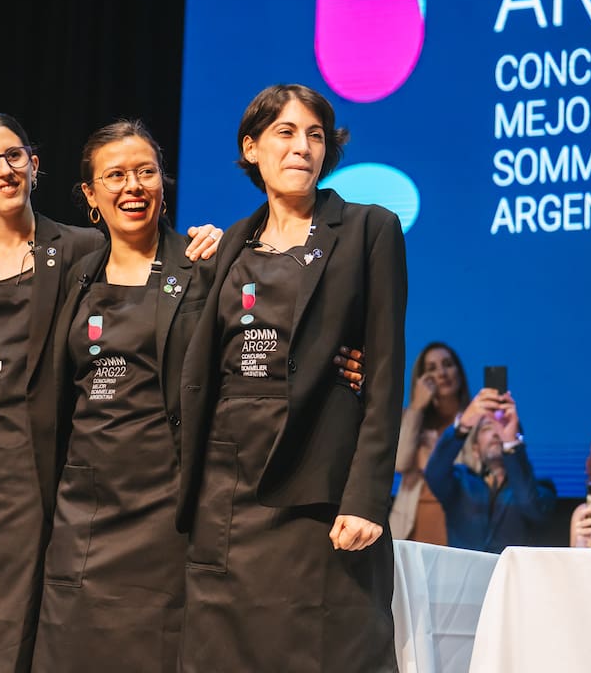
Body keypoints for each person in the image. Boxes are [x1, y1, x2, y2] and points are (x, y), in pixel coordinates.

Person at [0, 111, 222, 672]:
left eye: (14, 156)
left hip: (28, 487)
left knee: (7, 650)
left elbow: (147, 263)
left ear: (34, 165)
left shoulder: (82, 250)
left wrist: (212, 244)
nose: (3, 170)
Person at [176, 83, 406, 672]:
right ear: (251, 148)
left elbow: (384, 375)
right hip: (228, 492)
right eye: (285, 132)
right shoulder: (227, 245)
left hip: (319, 491)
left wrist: (367, 498)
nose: (302, 146)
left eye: (315, 135)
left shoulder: (369, 229)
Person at [424, 389, 555, 553]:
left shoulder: (541, 489)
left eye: (503, 425)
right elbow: (434, 474)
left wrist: (511, 445)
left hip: (509, 570)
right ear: (475, 449)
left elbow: (531, 507)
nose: (496, 432)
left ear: (518, 442)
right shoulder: (461, 482)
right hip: (464, 570)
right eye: (487, 427)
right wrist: (462, 427)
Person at [390, 341, 471, 544]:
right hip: (410, 527)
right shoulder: (411, 419)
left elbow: (474, 473)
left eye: (448, 364)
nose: (442, 373)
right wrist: (416, 407)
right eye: (432, 369)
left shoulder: (473, 420)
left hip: (457, 526)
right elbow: (399, 463)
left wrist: (435, 457)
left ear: (459, 372)